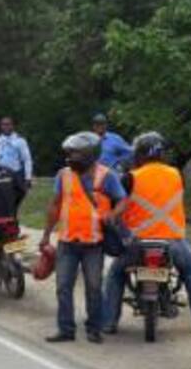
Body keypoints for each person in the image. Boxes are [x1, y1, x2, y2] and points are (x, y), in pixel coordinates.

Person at [102, 132, 191, 335]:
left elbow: (116, 205)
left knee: (116, 274)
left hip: (137, 242)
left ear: (139, 155)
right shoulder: (176, 174)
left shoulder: (130, 177)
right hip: (173, 240)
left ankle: (108, 322)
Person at [39, 132, 127, 344]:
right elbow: (55, 205)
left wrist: (113, 215)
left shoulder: (106, 176)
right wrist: (45, 235)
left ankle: (93, 329)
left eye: (75, 153)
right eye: (69, 153)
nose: (70, 158)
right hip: (67, 241)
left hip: (93, 243)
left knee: (94, 288)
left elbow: (122, 200)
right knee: (63, 287)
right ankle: (66, 329)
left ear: (90, 154)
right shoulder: (63, 175)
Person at [0, 116, 33, 208]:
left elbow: (27, 159)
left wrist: (28, 177)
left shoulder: (20, 140)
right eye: (3, 125)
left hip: (14, 174)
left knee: (13, 201)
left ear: (12, 126)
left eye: (8, 124)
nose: (5, 127)